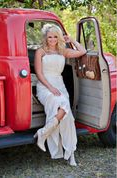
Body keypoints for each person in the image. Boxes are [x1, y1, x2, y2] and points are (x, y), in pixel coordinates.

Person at [34, 24, 86, 166]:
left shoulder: (62, 51)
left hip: (60, 85)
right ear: (46, 37)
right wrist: (50, 87)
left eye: (55, 36)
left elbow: (82, 51)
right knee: (63, 105)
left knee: (68, 118)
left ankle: (70, 152)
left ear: (59, 37)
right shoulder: (41, 52)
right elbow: (39, 73)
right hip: (45, 86)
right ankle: (43, 134)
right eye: (49, 37)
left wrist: (72, 40)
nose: (52, 39)